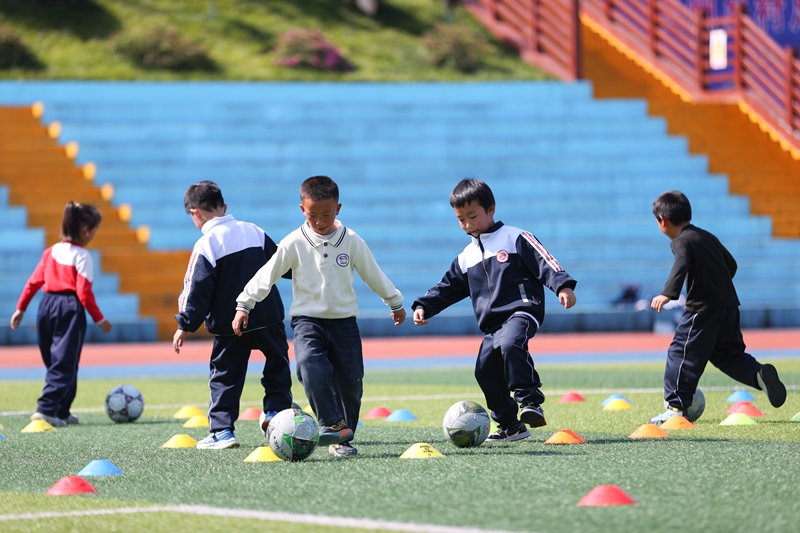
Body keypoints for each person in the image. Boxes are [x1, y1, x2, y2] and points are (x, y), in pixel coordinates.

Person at [232, 175, 405, 458]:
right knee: (308, 365)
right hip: (307, 321)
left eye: (326, 214)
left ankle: (343, 439)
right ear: (303, 210)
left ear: (338, 208)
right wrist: (244, 304)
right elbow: (267, 275)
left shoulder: (351, 241)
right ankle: (331, 422)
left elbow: (373, 274)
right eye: (313, 215)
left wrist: (394, 302)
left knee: (351, 383)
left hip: (344, 322)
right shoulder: (293, 242)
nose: (320, 221)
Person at [412, 179, 577, 442]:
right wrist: (424, 306)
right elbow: (447, 287)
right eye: (460, 219)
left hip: (522, 310)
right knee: (485, 370)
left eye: (473, 216)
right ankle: (511, 425)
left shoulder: (515, 237)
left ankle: (530, 402)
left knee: (511, 344)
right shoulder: (466, 257)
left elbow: (545, 262)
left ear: (491, 209)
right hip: (492, 325)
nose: (467, 223)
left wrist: (563, 286)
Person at [648, 190, 786, 424]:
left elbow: (680, 266)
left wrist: (667, 293)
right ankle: (759, 374)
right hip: (729, 306)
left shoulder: (680, 241)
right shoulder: (707, 236)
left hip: (702, 309)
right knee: (728, 355)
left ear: (662, 220)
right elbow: (731, 265)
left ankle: (676, 408)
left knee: (681, 352)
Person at [174, 181, 293, 450]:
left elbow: (196, 289)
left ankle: (222, 431)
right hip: (268, 315)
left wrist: (185, 324)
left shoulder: (206, 244)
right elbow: (282, 265)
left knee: (225, 376)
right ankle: (276, 414)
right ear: (224, 207)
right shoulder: (253, 230)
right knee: (277, 364)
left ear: (195, 212)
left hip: (231, 325)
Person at [10, 201, 113, 427]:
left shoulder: (51, 251)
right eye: (94, 230)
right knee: (65, 362)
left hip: (46, 306)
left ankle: (62, 410)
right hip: (69, 307)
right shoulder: (83, 256)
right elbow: (84, 293)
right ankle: (46, 408)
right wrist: (99, 319)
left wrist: (21, 308)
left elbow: (33, 282)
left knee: (56, 361)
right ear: (86, 229)